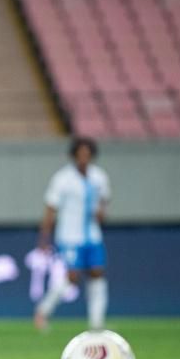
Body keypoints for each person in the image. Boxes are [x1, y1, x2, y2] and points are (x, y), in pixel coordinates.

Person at [34, 136, 111, 331]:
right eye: (80, 154)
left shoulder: (99, 177)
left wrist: (102, 213)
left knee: (97, 273)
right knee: (72, 276)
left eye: (87, 154)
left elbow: (104, 201)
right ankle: (43, 311)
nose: (84, 158)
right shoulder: (63, 179)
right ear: (74, 155)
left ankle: (96, 323)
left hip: (92, 235)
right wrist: (44, 237)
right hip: (69, 236)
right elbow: (51, 208)